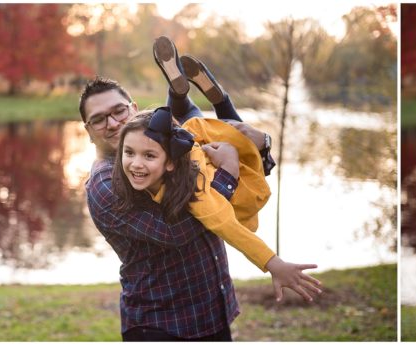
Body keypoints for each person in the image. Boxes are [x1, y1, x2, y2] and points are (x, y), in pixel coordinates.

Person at [80, 37, 317, 341]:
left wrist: (262, 143)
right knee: (195, 126)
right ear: (87, 132)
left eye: (118, 112)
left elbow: (245, 161)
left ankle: (188, 96)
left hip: (211, 309)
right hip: (162, 324)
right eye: (98, 120)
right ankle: (195, 98)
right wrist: (229, 171)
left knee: (196, 127)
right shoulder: (105, 184)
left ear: (134, 110)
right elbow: (177, 231)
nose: (112, 123)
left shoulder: (161, 145)